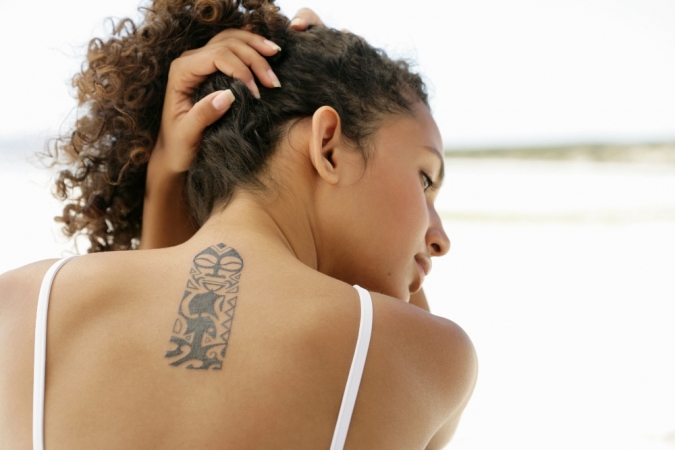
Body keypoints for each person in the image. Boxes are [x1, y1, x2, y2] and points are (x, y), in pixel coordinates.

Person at [0, 1, 477, 449]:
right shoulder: (426, 357)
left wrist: (165, 173)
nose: (440, 239)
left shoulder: (20, 307)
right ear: (328, 144)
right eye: (425, 178)